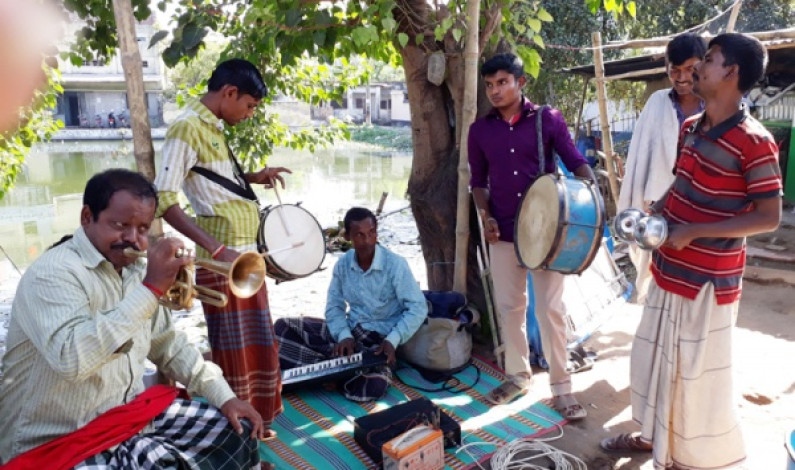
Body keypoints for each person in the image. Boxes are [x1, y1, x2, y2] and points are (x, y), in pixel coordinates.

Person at [0, 169, 266, 469]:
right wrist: (151, 289)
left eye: (142, 228)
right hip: (55, 441)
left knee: (236, 433)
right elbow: (72, 360)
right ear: (86, 217)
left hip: (122, 420)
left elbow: (170, 346)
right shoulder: (53, 273)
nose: (133, 239)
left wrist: (225, 397)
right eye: (120, 225)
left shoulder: (135, 270)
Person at [600, 33, 782, 470]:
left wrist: (695, 230)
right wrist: (658, 210)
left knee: (695, 378)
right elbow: (680, 184)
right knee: (656, 361)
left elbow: (769, 216)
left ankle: (690, 457)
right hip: (668, 268)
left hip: (707, 281)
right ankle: (653, 437)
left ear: (732, 73)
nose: (698, 67)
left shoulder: (754, 141)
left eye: (711, 59)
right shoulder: (690, 127)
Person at [154, 58, 290, 429]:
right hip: (223, 264)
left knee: (260, 350)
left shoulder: (210, 126)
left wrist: (252, 176)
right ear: (229, 93)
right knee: (235, 359)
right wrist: (216, 250)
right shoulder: (186, 128)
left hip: (242, 258)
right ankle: (238, 437)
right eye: (248, 106)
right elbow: (164, 199)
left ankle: (257, 429)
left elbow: (209, 180)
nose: (248, 114)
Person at [468, 52, 596, 420]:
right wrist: (485, 214)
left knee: (551, 309)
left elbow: (574, 159)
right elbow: (479, 182)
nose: (495, 90)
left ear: (521, 83)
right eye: (489, 84)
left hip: (547, 233)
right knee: (510, 309)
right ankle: (518, 377)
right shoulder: (480, 130)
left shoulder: (547, 119)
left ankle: (561, 388)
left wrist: (593, 197)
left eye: (502, 82)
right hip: (504, 233)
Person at [274, 207, 428, 401]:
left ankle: (327, 369)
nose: (367, 240)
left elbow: (418, 307)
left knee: (371, 386)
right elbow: (334, 306)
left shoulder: (395, 265)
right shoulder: (343, 265)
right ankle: (334, 368)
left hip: (378, 341)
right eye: (359, 235)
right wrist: (344, 336)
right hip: (349, 332)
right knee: (282, 327)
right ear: (347, 236)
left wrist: (393, 340)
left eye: (371, 233)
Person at [617, 33, 707, 304]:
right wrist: (638, 202)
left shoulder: (717, 106)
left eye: (690, 69)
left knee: (694, 287)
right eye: (674, 70)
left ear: (704, 65)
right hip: (656, 208)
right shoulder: (657, 102)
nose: (681, 78)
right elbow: (639, 157)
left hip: (701, 211)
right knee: (658, 284)